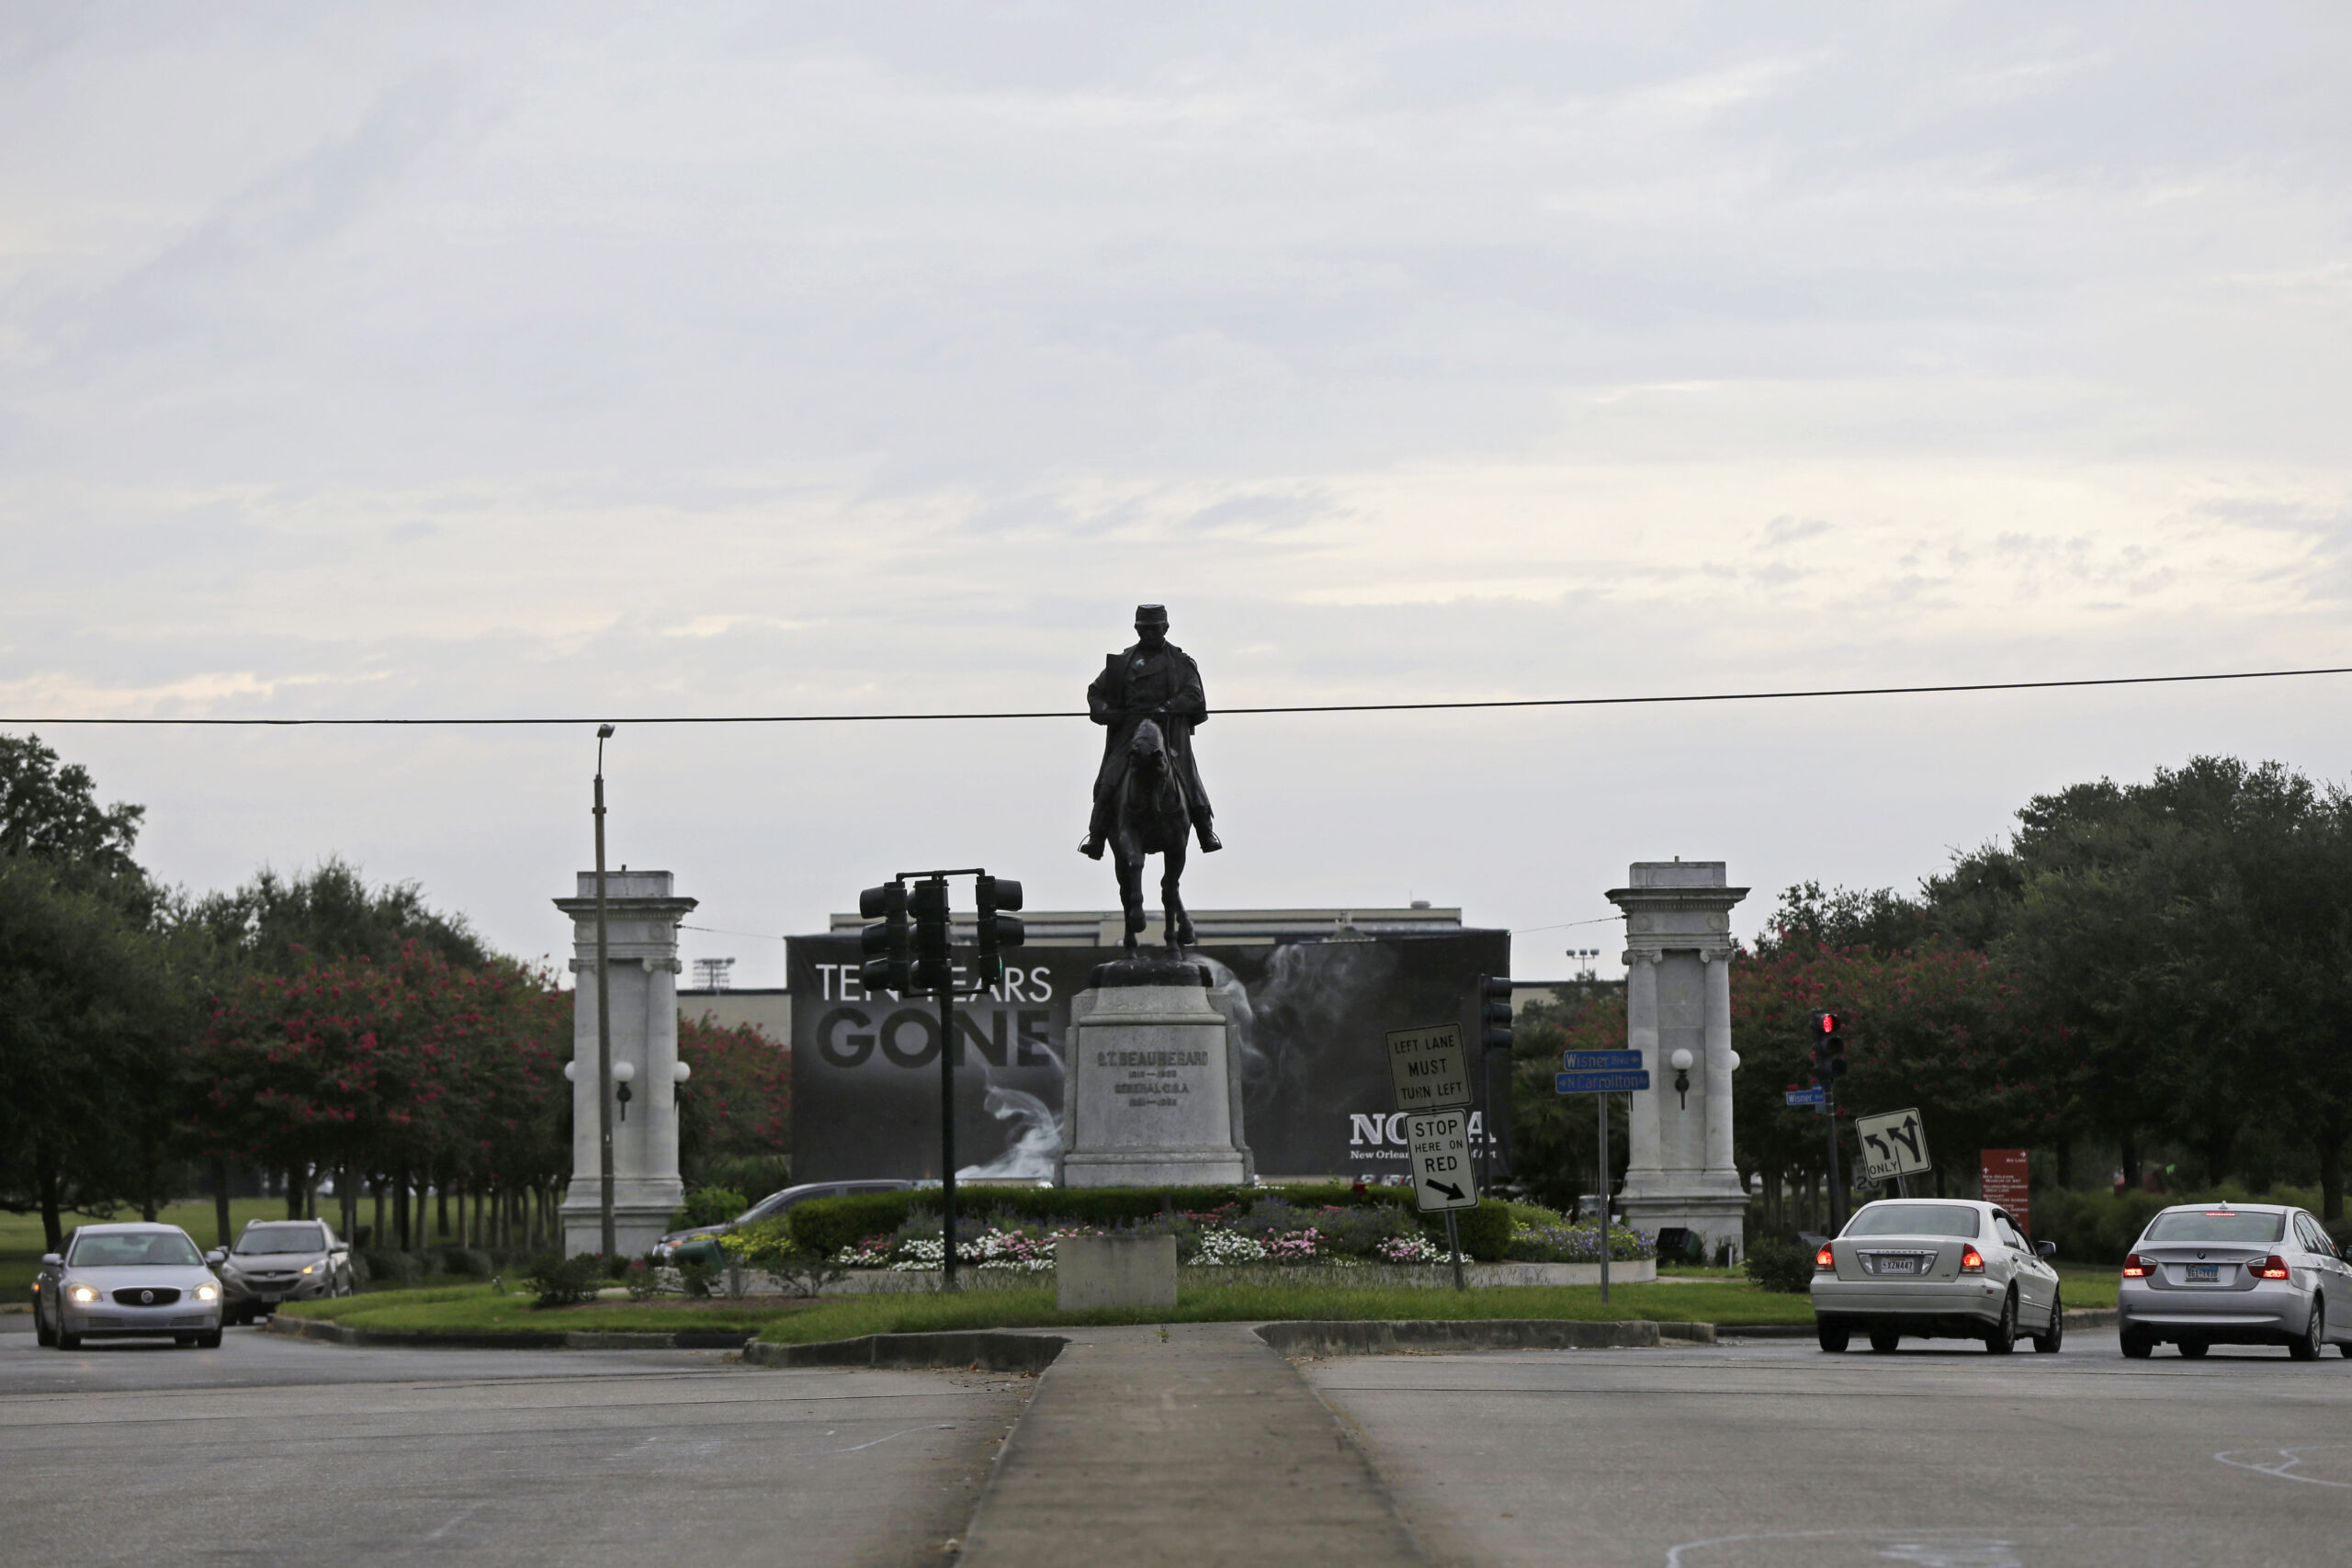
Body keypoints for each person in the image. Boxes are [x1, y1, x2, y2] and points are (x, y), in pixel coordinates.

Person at [1079, 604, 1223, 859]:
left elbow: (1194, 695)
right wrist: (1106, 710)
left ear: (1165, 628)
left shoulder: (1180, 663)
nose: (1148, 634)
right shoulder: (1122, 663)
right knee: (1109, 780)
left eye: (1154, 629)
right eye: (1143, 629)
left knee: (1186, 775)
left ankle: (1204, 829)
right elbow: (1095, 692)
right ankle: (1097, 835)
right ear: (1136, 629)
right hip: (1129, 731)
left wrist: (1168, 707)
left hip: (1166, 732)